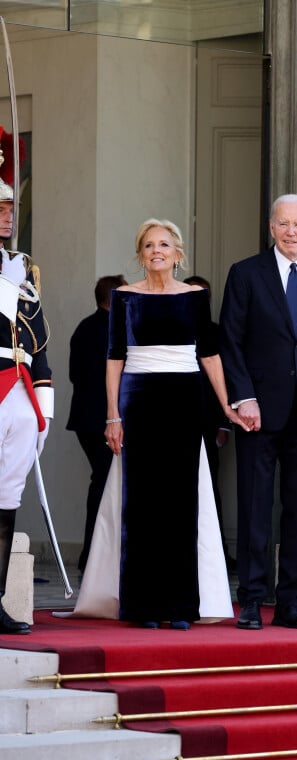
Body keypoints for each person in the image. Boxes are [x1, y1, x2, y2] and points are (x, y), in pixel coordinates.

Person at [103, 219, 247, 630]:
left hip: (185, 403)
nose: (156, 251)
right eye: (149, 245)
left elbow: (210, 356)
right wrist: (113, 414)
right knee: (143, 505)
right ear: (140, 254)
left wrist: (227, 406)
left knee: (182, 504)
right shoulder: (124, 298)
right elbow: (114, 359)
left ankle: (181, 605)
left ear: (178, 253)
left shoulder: (195, 298)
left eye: (164, 244)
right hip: (138, 401)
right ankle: (143, 606)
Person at [220, 193, 297, 630]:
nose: (291, 231)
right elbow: (230, 342)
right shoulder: (245, 274)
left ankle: (289, 602)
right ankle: (253, 599)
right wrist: (243, 396)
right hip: (258, 411)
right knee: (255, 507)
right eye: (283, 223)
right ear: (271, 228)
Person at [0, 137, 53, 634]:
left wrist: (46, 407)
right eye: (0, 208)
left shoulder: (22, 267)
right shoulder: (13, 275)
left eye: (11, 208)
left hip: (19, 391)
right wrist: (6, 286)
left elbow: (37, 340)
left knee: (7, 496)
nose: (8, 216)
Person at [66, 275, 127, 573]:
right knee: (106, 485)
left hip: (84, 419)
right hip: (107, 418)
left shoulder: (83, 327)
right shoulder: (115, 330)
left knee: (101, 483)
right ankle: (95, 557)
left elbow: (74, 375)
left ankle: (93, 555)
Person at [184, 274, 236, 572]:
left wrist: (224, 424)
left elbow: (224, 380)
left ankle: (215, 554)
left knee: (209, 487)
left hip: (208, 422)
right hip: (174, 419)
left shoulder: (217, 332)